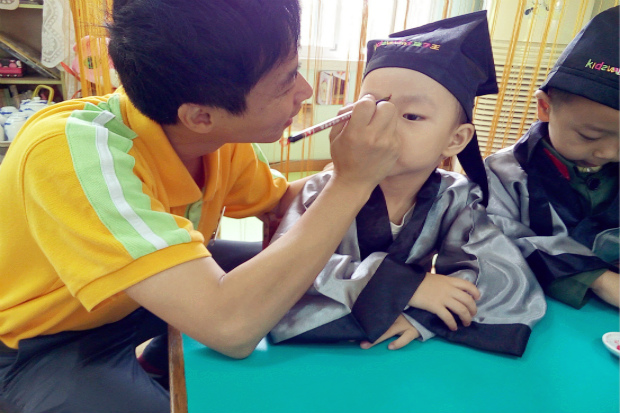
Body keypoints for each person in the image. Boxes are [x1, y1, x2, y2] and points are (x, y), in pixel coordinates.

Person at [0, 0, 402, 412]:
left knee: (308, 270)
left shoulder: (212, 138)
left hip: (139, 302)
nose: (305, 91)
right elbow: (231, 329)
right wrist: (352, 182)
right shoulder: (72, 156)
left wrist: (375, 171)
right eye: (285, 82)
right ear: (200, 116)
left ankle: (160, 359)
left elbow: (283, 202)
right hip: (45, 342)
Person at [269, 11, 546, 357]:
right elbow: (284, 272)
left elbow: (495, 272)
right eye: (372, 107)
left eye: (412, 115)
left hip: (399, 351)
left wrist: (424, 317)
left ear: (456, 139)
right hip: (317, 349)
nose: (384, 123)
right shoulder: (322, 190)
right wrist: (405, 286)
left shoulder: (458, 197)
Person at [485, 6, 619, 310]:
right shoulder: (502, 173)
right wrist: (597, 278)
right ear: (545, 108)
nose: (609, 153)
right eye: (590, 136)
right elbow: (494, 238)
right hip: (528, 304)